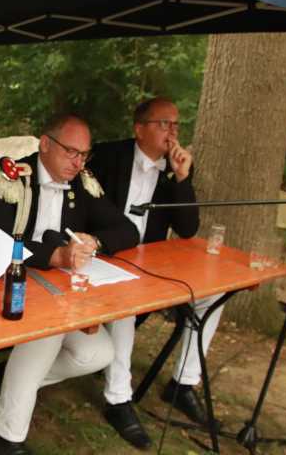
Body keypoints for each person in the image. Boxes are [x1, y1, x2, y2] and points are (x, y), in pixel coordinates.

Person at [0, 113, 139, 455]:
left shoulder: (81, 182)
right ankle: (7, 436)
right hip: (11, 282)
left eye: (84, 154)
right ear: (45, 144)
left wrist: (93, 241)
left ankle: (8, 377)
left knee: (99, 353)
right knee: (49, 332)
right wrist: (54, 256)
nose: (78, 162)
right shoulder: (12, 176)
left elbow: (127, 230)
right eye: (71, 152)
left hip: (60, 289)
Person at [90, 97, 217, 449]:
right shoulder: (109, 156)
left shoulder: (176, 168)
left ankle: (183, 383)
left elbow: (188, 229)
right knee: (126, 304)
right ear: (139, 129)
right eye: (164, 123)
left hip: (152, 263)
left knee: (212, 295)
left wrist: (182, 178)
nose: (172, 132)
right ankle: (118, 399)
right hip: (108, 256)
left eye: (176, 125)